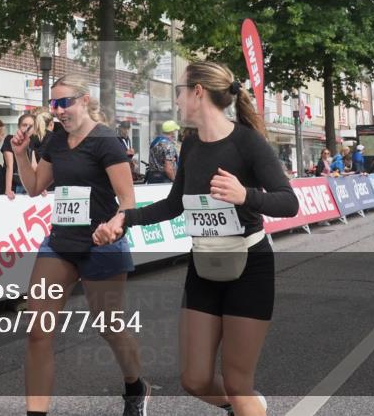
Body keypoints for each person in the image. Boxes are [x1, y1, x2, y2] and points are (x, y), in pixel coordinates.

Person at [94, 61, 299, 416]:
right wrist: (126, 218)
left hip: (249, 267)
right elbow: (175, 204)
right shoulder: (190, 146)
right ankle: (248, 407)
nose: (175, 100)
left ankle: (246, 403)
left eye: (179, 91)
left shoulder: (247, 142)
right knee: (195, 379)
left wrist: (245, 195)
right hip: (204, 267)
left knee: (237, 383)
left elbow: (289, 202)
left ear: (198, 92)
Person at [9, 74, 149, 416]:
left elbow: (127, 200)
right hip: (60, 242)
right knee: (37, 331)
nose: (58, 111)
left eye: (65, 103)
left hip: (102, 245)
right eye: (54, 104)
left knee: (108, 326)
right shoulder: (56, 140)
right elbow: (35, 186)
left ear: (84, 100)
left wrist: (114, 227)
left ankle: (135, 386)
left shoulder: (106, 142)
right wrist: (21, 154)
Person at [0, 113, 37, 197]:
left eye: (31, 125)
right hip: (15, 185)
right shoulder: (10, 139)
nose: (27, 128)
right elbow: (10, 165)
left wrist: (39, 186)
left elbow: (34, 165)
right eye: (24, 125)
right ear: (19, 126)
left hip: (27, 185)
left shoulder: (31, 141)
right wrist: (8, 189)